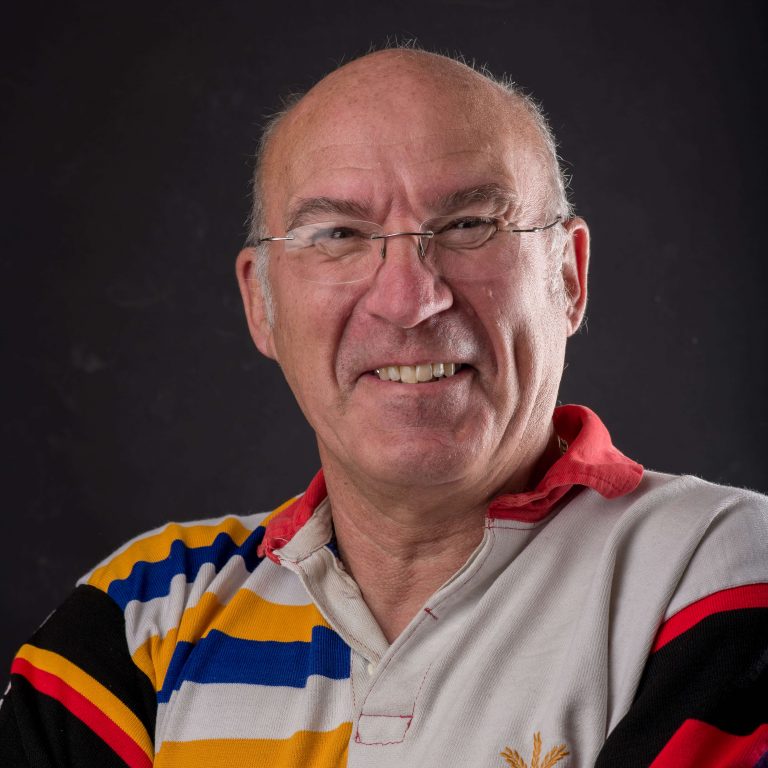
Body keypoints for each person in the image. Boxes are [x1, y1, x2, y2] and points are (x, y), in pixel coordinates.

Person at [1, 47, 766, 768]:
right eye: (338, 233)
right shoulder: (139, 619)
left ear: (567, 276)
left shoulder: (714, 574)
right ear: (261, 304)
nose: (409, 300)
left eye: (469, 225)